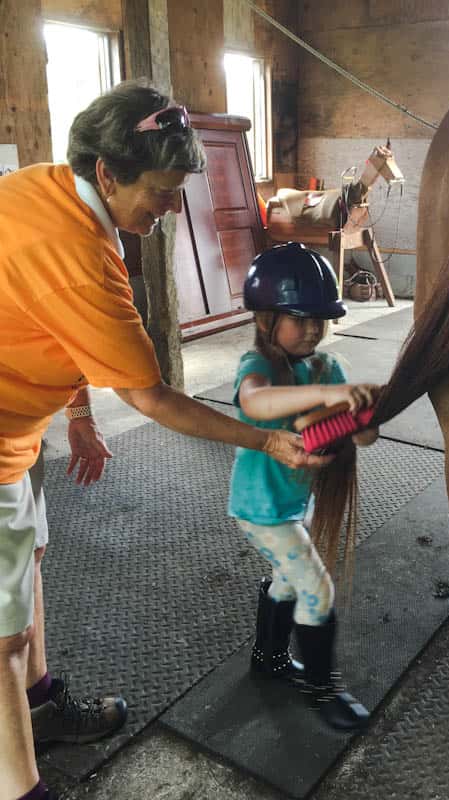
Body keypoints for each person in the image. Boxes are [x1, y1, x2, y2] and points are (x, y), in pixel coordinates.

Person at [0, 83, 331, 800]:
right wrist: (266, 443)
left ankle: (43, 706)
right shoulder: (81, 257)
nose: (172, 208)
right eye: (160, 190)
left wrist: (78, 415)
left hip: (18, 421)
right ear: (107, 174)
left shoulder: (38, 186)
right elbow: (151, 397)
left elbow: (34, 313)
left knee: (24, 571)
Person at [228, 242, 379, 731]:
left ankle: (268, 659)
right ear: (266, 318)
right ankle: (321, 688)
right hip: (260, 508)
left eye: (320, 318)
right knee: (317, 590)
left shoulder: (326, 368)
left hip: (296, 502)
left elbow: (366, 434)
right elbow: (255, 405)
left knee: (288, 580)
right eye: (300, 317)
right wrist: (327, 396)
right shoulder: (258, 367)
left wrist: (363, 410)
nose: (314, 328)